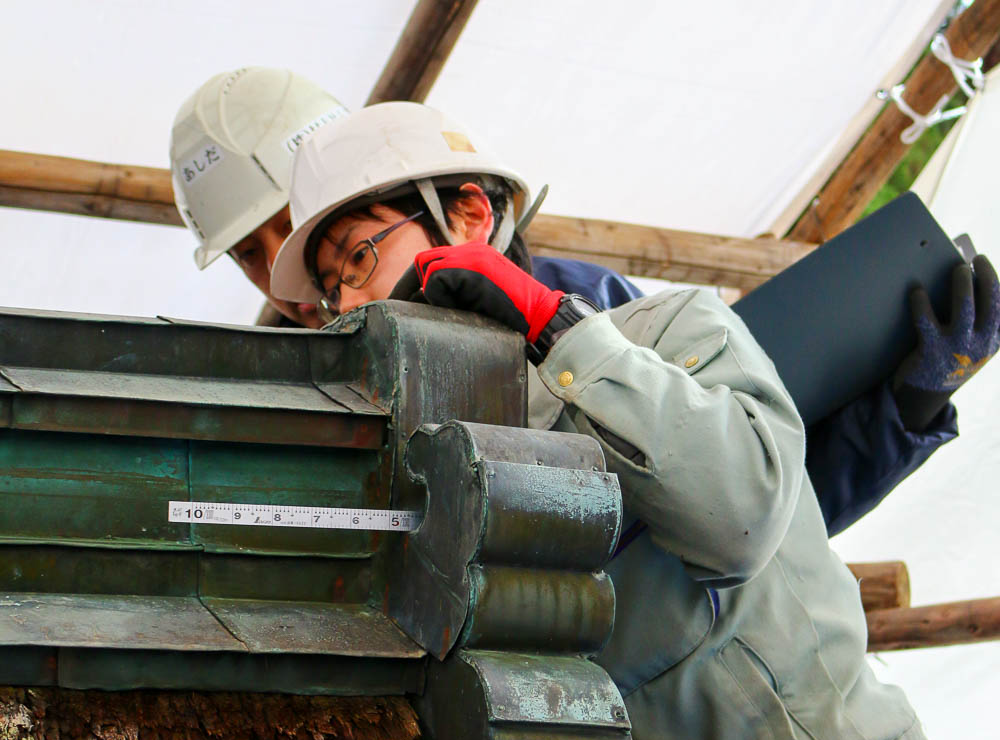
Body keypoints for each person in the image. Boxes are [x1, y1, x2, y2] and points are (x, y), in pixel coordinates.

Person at [266, 101, 998, 740]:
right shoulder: (429, 484)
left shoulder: (671, 336)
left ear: (466, 216)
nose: (346, 303)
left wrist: (552, 328)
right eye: (329, 291)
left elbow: (735, 515)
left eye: (358, 258)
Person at [168, 68, 976, 538]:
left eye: (313, 233)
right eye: (251, 253)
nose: (293, 272)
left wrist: (900, 418)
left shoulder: (596, 310)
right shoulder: (277, 407)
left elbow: (759, 517)